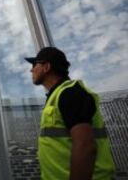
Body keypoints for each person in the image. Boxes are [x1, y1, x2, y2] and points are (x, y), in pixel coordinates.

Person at [25, 47, 115, 180]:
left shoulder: (70, 93)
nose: (31, 69)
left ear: (46, 67)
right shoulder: (58, 95)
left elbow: (85, 146)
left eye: (34, 65)